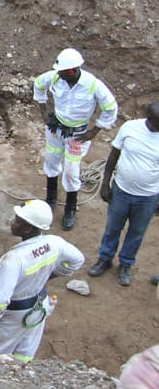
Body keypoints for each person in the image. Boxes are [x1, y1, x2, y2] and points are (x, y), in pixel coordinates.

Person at [0, 200, 85, 363]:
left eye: (17, 221)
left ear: (28, 228)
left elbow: (0, 300)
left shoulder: (12, 260)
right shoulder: (54, 243)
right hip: (40, 305)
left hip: (14, 314)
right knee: (26, 349)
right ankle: (19, 375)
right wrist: (54, 273)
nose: (12, 222)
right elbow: (78, 259)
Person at [33, 47, 117, 230]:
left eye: (62, 72)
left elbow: (110, 108)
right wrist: (43, 110)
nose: (59, 74)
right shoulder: (55, 76)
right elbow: (38, 84)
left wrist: (93, 132)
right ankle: (51, 199)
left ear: (72, 70)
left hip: (77, 135)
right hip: (56, 129)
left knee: (71, 171)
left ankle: (70, 208)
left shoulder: (93, 85)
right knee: (51, 161)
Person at [87, 101, 159, 286]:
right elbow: (113, 156)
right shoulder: (130, 128)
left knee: (136, 232)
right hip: (122, 191)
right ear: (149, 118)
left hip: (149, 197)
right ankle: (105, 259)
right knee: (112, 228)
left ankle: (126, 264)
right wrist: (105, 184)